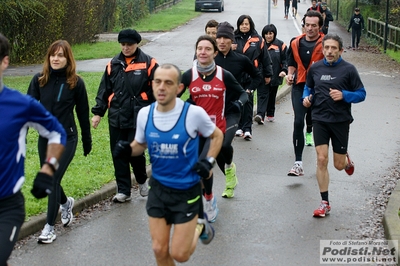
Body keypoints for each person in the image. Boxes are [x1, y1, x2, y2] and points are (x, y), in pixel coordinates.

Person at [113, 63, 224, 265]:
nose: (161, 87)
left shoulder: (193, 114)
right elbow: (140, 144)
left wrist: (208, 161)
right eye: (157, 82)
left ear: (179, 88)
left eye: (168, 82)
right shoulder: (145, 114)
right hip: (159, 189)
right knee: (159, 249)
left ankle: (200, 226)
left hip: (186, 191)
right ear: (152, 84)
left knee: (180, 255)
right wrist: (128, 150)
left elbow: (217, 136)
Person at [0, 33, 66, 265]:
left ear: (4, 62)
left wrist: (48, 169)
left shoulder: (20, 105)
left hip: (5, 207)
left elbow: (58, 132)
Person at [27, 40, 92, 244]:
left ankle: (49, 228)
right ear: (48, 58)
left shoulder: (76, 83)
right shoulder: (39, 80)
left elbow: (82, 113)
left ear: (67, 59)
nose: (56, 58)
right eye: (53, 55)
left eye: (61, 55)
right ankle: (65, 203)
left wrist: (87, 140)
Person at [181, 35, 248, 221]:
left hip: (218, 127)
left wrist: (239, 105)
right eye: (200, 48)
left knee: (213, 158)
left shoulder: (223, 74)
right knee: (201, 168)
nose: (203, 52)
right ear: (196, 52)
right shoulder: (189, 75)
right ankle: (209, 199)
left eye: (208, 49)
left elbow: (243, 94)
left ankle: (212, 197)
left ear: (215, 53)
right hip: (197, 130)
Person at [302, 34, 366, 217]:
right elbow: (308, 88)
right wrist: (305, 98)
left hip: (340, 121)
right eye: (327, 48)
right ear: (322, 49)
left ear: (340, 50)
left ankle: (346, 161)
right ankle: (324, 203)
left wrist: (345, 95)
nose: (329, 51)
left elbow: (362, 94)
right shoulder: (315, 68)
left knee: (338, 165)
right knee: (321, 159)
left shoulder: (349, 70)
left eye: (333, 48)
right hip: (319, 119)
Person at [91, 29, 158, 203]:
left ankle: (142, 180)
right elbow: (104, 90)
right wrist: (98, 113)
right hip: (117, 116)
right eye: (123, 44)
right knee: (118, 153)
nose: (126, 48)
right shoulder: (113, 64)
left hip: (138, 116)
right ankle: (123, 190)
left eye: (129, 44)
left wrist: (144, 99)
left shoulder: (149, 63)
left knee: (135, 152)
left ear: (137, 44)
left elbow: (158, 87)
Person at [214, 21, 259, 197]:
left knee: (225, 143)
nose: (222, 41)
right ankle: (229, 175)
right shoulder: (210, 60)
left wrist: (248, 91)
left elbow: (257, 76)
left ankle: (229, 166)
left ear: (232, 40)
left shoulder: (241, 59)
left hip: (233, 110)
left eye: (226, 38)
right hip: (213, 111)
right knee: (216, 149)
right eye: (219, 37)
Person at [286, 10, 325, 176]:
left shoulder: (326, 43)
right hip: (299, 85)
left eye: (314, 26)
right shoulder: (295, 42)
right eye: (307, 25)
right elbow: (291, 62)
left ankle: (322, 159)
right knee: (297, 122)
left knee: (319, 124)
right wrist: (289, 74)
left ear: (320, 27)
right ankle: (298, 162)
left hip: (320, 88)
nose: (310, 28)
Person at [233, 14, 273, 140]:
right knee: (238, 101)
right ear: (239, 25)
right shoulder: (233, 39)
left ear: (250, 25)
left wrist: (268, 74)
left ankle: (247, 128)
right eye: (242, 24)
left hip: (252, 76)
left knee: (248, 101)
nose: (244, 26)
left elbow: (265, 58)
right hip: (237, 76)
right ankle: (239, 126)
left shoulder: (258, 40)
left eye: (246, 24)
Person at [255, 24, 287, 123]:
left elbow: (286, 60)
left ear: (274, 34)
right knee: (262, 95)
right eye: (266, 34)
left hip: (276, 75)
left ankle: (270, 113)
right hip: (262, 75)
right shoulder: (259, 45)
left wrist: (284, 71)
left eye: (270, 33)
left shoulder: (281, 45)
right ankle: (260, 115)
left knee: (272, 95)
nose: (268, 36)